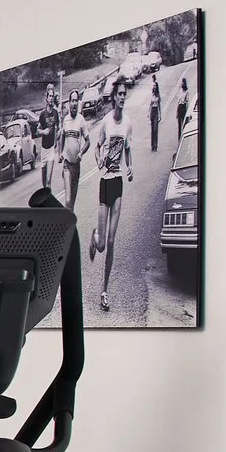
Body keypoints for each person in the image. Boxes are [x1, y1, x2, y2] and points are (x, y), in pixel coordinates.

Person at [92, 90, 132, 311]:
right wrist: (99, 161)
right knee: (100, 245)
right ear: (114, 98)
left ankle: (104, 291)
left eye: (125, 94)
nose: (123, 97)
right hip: (104, 183)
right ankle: (93, 237)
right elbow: (97, 147)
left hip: (117, 184)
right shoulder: (106, 122)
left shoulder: (128, 123)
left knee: (111, 242)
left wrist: (131, 166)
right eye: (120, 94)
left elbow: (127, 149)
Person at [57, 96, 89, 217]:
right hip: (67, 164)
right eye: (72, 101)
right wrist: (61, 152)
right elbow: (62, 136)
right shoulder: (65, 120)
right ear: (69, 103)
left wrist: (81, 153)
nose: (74, 103)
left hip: (76, 166)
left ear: (78, 103)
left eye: (76, 101)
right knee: (68, 199)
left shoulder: (81, 120)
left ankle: (69, 230)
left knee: (72, 204)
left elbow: (88, 141)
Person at [148, 73, 163, 152]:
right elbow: (150, 105)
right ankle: (152, 146)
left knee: (155, 129)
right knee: (152, 130)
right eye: (153, 87)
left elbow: (159, 105)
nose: (154, 88)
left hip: (156, 111)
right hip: (152, 112)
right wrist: (148, 114)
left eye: (155, 87)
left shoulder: (158, 95)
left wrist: (160, 115)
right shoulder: (152, 95)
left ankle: (155, 145)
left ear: (157, 88)